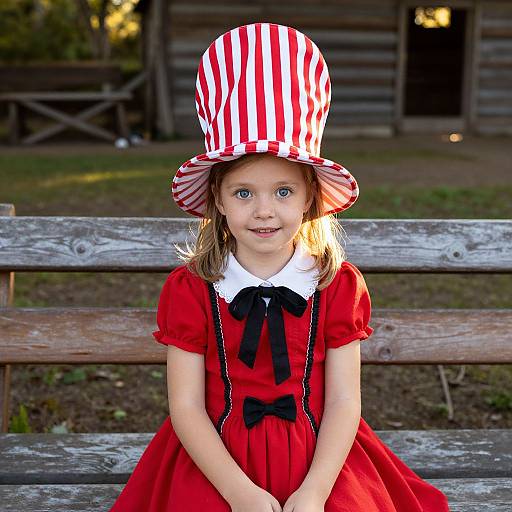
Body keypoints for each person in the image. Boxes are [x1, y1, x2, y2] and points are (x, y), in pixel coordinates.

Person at [109, 22, 450, 512]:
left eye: (283, 191)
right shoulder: (192, 289)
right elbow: (185, 407)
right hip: (217, 459)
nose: (263, 210)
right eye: (243, 192)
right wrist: (238, 492)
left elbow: (343, 402)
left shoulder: (335, 284)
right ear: (218, 201)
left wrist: (314, 491)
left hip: (320, 455)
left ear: (310, 197)